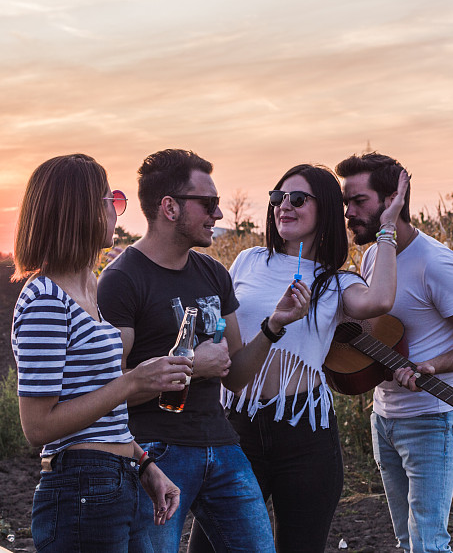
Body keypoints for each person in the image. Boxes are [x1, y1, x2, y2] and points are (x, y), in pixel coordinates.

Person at [97, 149, 310, 552]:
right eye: (209, 204)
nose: (219, 215)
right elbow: (111, 390)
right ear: (170, 207)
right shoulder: (121, 280)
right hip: (156, 454)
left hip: (223, 444)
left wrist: (274, 325)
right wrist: (192, 366)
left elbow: (235, 373)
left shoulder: (213, 273)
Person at [188, 163, 409, 552]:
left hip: (305, 434)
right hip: (238, 428)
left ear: (323, 209)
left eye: (297, 199)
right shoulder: (248, 261)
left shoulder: (337, 281)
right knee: (210, 546)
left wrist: (387, 226)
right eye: (277, 197)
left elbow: (381, 300)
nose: (283, 206)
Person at [11, 154, 189, 552]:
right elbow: (37, 427)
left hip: (113, 479)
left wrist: (144, 464)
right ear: (80, 210)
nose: (117, 213)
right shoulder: (45, 301)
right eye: (111, 201)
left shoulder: (89, 289)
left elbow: (99, 412)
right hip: (80, 488)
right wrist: (132, 382)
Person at [335, 152, 453, 553]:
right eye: (345, 204)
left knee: (428, 542)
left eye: (359, 202)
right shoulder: (376, 254)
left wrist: (433, 365)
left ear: (393, 201)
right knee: (407, 539)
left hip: (433, 422)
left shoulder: (438, 265)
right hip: (385, 419)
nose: (348, 213)